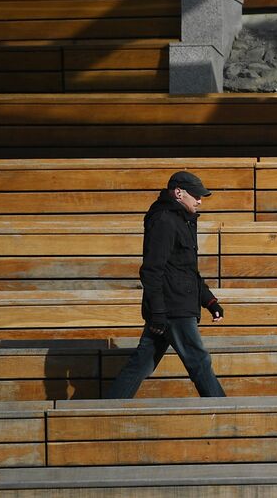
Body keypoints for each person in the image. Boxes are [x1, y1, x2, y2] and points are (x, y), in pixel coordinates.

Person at [105, 171, 226, 399]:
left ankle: (108, 406)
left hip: (174, 304)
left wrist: (209, 301)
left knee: (142, 362)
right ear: (179, 193)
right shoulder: (164, 220)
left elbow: (186, 270)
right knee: (199, 360)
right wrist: (159, 311)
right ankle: (224, 411)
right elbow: (152, 270)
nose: (200, 201)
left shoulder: (182, 219)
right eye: (196, 196)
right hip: (173, 307)